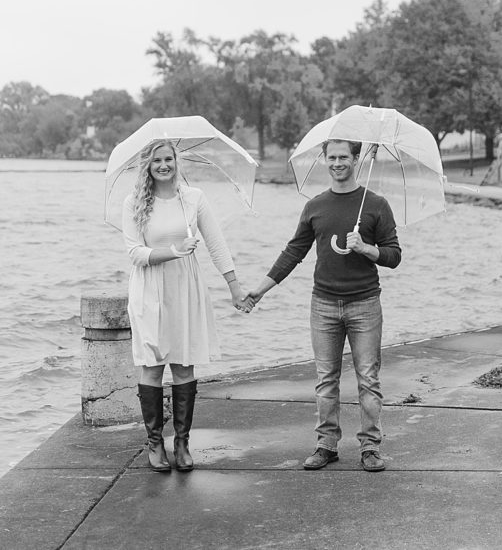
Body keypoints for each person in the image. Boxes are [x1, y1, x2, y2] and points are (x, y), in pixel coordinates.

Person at [245, 138, 401, 473]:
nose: (338, 163)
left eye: (344, 156)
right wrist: (261, 289)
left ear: (356, 159)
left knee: (368, 379)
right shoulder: (315, 206)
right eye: (332, 157)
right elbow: (293, 252)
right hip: (324, 305)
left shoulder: (376, 205)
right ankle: (326, 445)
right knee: (325, 379)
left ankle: (370, 447)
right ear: (325, 160)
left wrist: (367, 249)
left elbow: (394, 256)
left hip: (365, 304)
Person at [123, 140, 251, 473]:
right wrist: (173, 250)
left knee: (183, 363)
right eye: (156, 161)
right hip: (150, 289)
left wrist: (234, 287)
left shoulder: (192, 199)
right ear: (147, 166)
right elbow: (135, 253)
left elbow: (217, 244)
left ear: (176, 162)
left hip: (185, 287)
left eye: (168, 159)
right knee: (152, 364)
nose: (163, 165)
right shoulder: (134, 203)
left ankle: (182, 442)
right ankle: (154, 443)